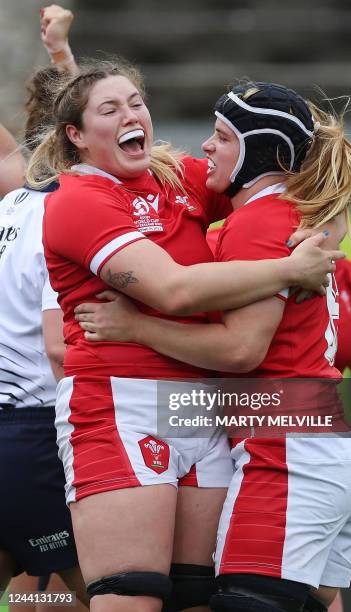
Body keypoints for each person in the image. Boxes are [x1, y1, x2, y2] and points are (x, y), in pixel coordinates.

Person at [25, 60, 343, 612]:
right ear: (75, 137)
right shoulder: (78, 200)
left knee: (200, 594)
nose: (131, 115)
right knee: (134, 597)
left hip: (200, 408)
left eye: (136, 103)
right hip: (119, 404)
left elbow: (281, 186)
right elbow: (172, 290)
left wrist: (329, 225)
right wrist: (291, 270)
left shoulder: (174, 178)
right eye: (110, 109)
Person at [0, 6, 88, 612]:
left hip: (12, 424)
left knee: (34, 587)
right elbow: (60, 350)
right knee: (94, 590)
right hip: (38, 426)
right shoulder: (67, 218)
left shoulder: (15, 200)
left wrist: (60, 57)